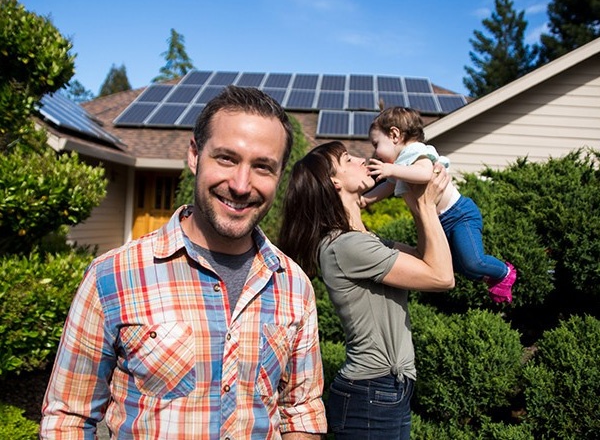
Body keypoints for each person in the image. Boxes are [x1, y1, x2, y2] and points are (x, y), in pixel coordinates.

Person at [40, 86, 327, 439]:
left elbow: (301, 412)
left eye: (262, 167)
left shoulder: (294, 285)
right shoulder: (112, 276)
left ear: (279, 175)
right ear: (194, 155)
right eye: (226, 158)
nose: (240, 184)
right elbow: (68, 417)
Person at [278, 140, 455, 439]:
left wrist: (416, 205)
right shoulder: (346, 246)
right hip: (372, 392)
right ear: (334, 182)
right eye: (348, 159)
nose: (364, 159)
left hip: (387, 389)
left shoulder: (364, 241)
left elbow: (427, 260)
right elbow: (441, 277)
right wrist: (426, 205)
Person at [362, 106, 517, 303]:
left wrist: (390, 169)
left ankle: (505, 272)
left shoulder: (416, 152)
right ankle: (487, 275)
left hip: (459, 215)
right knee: (459, 265)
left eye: (376, 144)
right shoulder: (399, 166)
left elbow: (425, 174)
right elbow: (386, 188)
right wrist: (364, 200)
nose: (375, 153)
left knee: (473, 261)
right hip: (440, 221)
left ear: (394, 135)